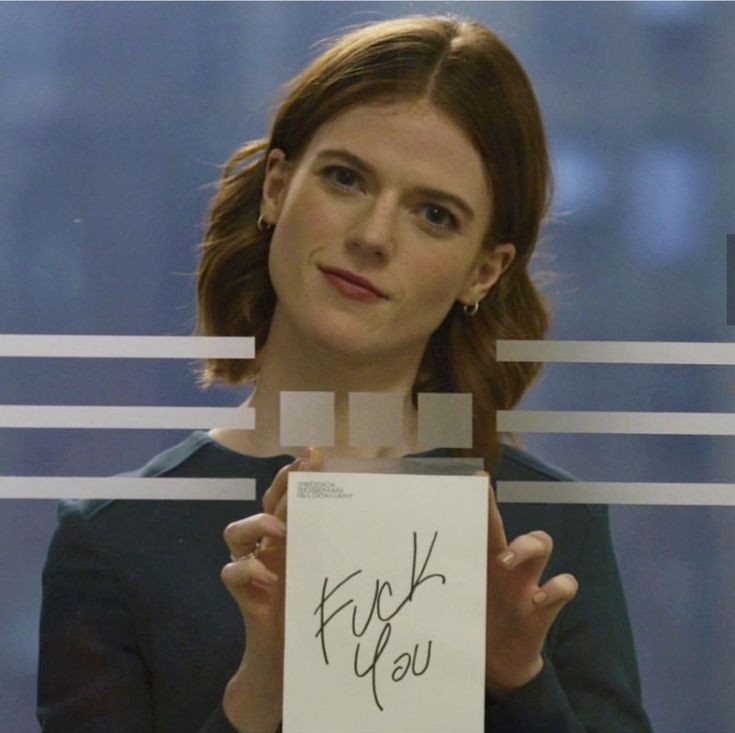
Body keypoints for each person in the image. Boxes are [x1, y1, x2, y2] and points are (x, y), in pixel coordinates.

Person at [37, 15, 653, 733]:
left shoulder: (548, 533)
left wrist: (518, 680)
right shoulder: (114, 538)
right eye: (345, 178)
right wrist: (259, 694)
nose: (372, 236)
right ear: (276, 186)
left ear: (483, 272)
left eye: (433, 214)